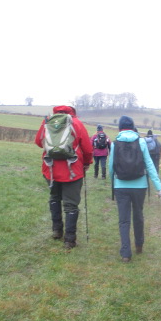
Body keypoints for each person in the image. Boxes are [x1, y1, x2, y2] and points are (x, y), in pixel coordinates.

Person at [35, 105, 93, 248]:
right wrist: (86, 164)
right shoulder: (77, 123)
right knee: (71, 205)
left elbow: (38, 142)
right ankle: (70, 239)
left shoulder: (47, 121)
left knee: (54, 198)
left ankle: (56, 230)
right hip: (72, 170)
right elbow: (87, 148)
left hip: (50, 169)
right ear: (72, 112)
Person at [109, 115, 161, 262]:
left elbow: (111, 168)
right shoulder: (141, 142)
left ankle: (125, 253)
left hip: (121, 186)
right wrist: (159, 187)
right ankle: (139, 245)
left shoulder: (115, 144)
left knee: (123, 220)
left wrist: (112, 182)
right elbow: (150, 166)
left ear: (120, 128)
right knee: (138, 215)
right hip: (140, 186)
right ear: (133, 127)